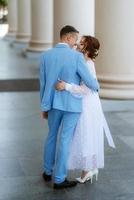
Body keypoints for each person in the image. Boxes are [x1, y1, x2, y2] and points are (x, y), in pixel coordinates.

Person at [40, 26, 100, 189]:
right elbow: (91, 83)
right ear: (68, 38)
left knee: (51, 136)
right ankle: (59, 179)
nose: (76, 44)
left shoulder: (45, 56)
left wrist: (44, 107)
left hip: (52, 105)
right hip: (72, 106)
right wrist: (96, 84)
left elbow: (43, 84)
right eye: (75, 39)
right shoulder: (76, 57)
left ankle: (47, 171)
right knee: (65, 140)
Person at [55, 35, 115, 184]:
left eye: (82, 43)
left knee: (86, 134)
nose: (78, 44)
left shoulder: (88, 63)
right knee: (86, 134)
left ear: (87, 48)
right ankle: (89, 169)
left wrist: (66, 86)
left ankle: (87, 170)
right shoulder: (82, 60)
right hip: (85, 102)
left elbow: (87, 89)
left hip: (87, 103)